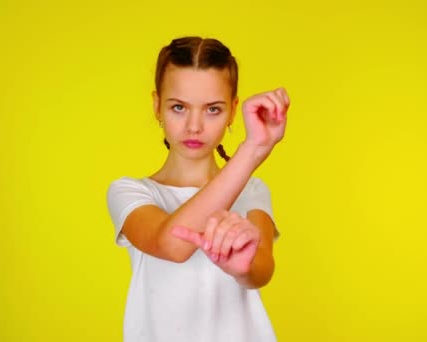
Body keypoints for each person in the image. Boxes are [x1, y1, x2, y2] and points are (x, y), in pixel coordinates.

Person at [106, 36, 290, 342]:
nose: (194, 126)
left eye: (213, 110)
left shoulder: (252, 190)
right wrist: (254, 149)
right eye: (179, 107)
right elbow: (172, 245)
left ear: (233, 111)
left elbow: (262, 270)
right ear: (157, 106)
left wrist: (241, 268)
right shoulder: (131, 192)